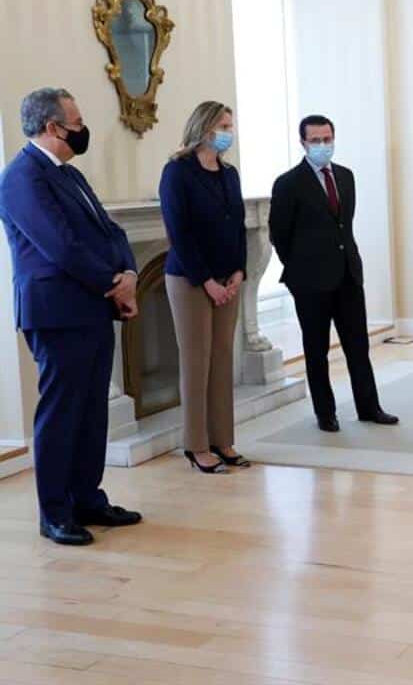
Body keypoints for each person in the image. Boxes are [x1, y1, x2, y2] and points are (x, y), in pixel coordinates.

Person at [0, 88, 142, 545]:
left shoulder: (69, 174)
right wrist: (112, 282)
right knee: (62, 414)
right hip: (56, 312)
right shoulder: (22, 176)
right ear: (52, 127)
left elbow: (110, 229)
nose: (83, 128)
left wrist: (131, 273)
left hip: (92, 306)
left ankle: (87, 498)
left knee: (90, 410)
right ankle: (55, 512)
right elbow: (59, 246)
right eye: (76, 121)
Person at [268, 115, 399, 432]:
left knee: (358, 346)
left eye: (327, 139)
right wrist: (301, 267)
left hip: (348, 275)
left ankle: (369, 407)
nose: (323, 145)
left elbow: (344, 225)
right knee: (316, 350)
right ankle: (325, 413)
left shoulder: (345, 176)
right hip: (310, 281)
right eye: (316, 140)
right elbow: (279, 235)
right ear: (303, 143)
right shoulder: (288, 183)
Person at [159, 102, 249, 474]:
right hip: (190, 279)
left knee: (223, 358)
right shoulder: (177, 172)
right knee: (197, 361)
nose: (230, 131)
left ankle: (222, 439)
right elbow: (179, 232)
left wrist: (240, 271)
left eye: (231, 124)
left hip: (229, 278)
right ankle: (196, 445)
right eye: (223, 125)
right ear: (204, 127)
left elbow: (239, 223)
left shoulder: (229, 173)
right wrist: (208, 281)